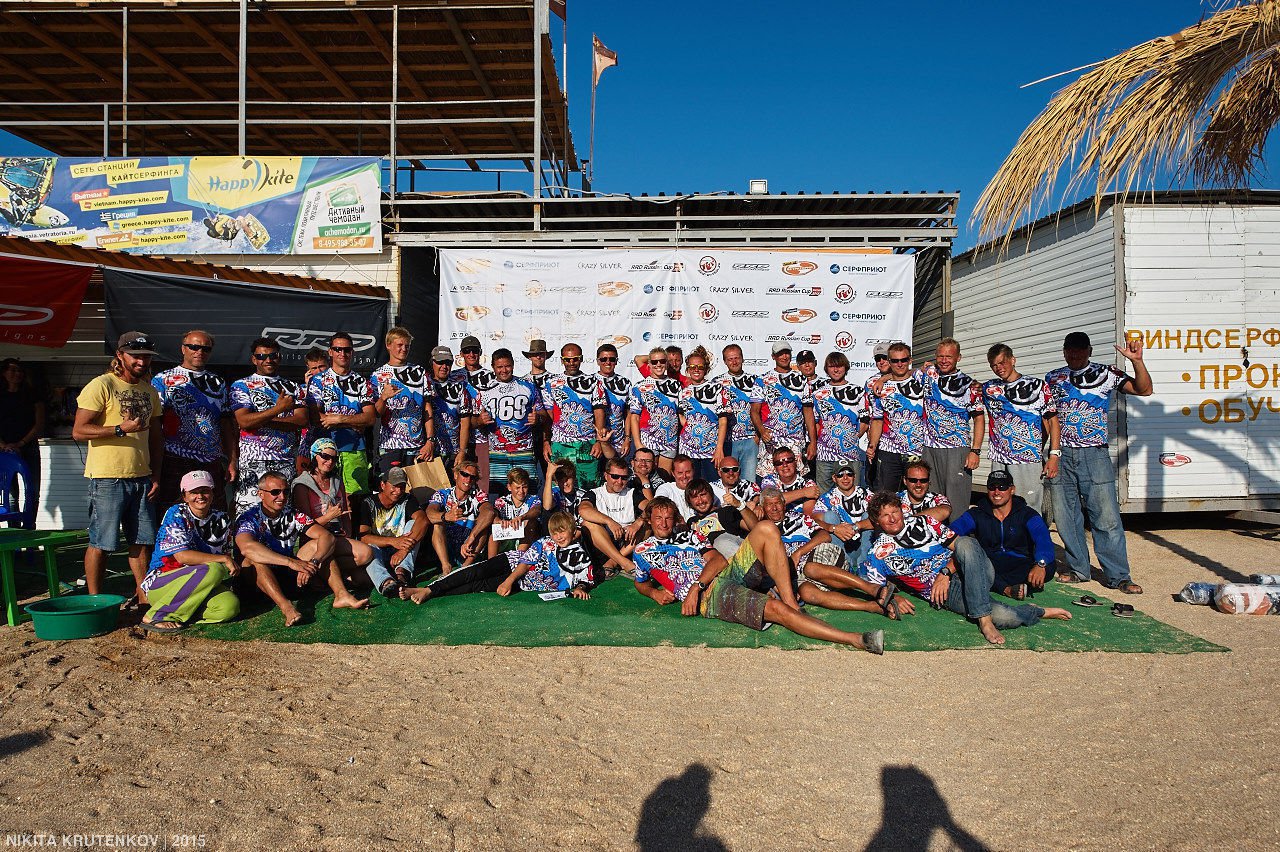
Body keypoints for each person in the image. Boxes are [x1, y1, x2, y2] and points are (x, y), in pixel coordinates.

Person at [631, 498, 884, 654]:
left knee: (766, 527)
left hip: (719, 576)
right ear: (649, 521)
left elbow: (718, 560)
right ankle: (855, 639)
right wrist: (654, 593)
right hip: (711, 595)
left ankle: (791, 601)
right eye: (658, 518)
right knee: (775, 610)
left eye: (668, 518)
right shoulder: (642, 551)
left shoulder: (688, 535)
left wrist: (696, 586)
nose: (664, 523)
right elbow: (640, 582)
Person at [860, 492, 1071, 645]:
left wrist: (945, 572)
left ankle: (983, 621)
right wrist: (895, 597)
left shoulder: (924, 522)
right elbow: (873, 587)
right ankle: (1037, 611)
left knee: (967, 542)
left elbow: (960, 546)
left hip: (968, 568)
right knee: (1005, 617)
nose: (893, 518)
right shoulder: (878, 553)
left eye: (895, 511)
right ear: (876, 521)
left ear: (901, 510)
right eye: (885, 515)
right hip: (944, 592)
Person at [1045, 332, 1152, 594]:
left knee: (1106, 517)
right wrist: (1046, 453)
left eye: (1080, 350)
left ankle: (1119, 576)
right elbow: (1046, 418)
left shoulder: (1107, 373)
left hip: (1094, 454)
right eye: (1070, 350)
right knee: (1066, 517)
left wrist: (1137, 361)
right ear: (1064, 351)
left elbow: (1144, 389)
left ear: (1089, 351)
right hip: (1061, 454)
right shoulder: (1052, 378)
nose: (1075, 355)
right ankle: (1078, 569)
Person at [72, 331, 163, 603]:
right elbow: (79, 430)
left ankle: (143, 598)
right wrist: (120, 429)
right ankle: (94, 600)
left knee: (142, 542)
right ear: (120, 355)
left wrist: (156, 474)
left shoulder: (149, 390)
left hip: (142, 477)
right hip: (107, 478)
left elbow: (156, 438)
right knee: (102, 542)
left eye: (146, 356)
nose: (141, 361)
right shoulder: (101, 385)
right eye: (135, 355)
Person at [234, 471, 368, 622]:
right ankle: (287, 607)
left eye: (286, 491)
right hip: (254, 583)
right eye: (275, 492)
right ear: (261, 494)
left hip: (286, 575)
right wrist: (291, 562)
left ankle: (341, 595)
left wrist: (314, 562)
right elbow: (247, 548)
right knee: (253, 560)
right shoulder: (248, 518)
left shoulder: (293, 514)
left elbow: (327, 536)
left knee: (320, 546)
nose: (282, 497)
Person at [400, 511, 602, 603]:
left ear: (573, 530)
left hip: (523, 583)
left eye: (562, 531)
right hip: (512, 563)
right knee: (473, 572)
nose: (558, 536)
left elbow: (586, 577)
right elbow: (525, 563)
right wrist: (508, 580)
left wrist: (581, 588)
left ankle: (430, 592)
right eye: (555, 532)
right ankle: (429, 589)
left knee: (476, 586)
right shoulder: (545, 542)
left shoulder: (580, 555)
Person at [759, 487, 900, 618]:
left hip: (820, 556)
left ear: (784, 505)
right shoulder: (760, 529)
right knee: (807, 593)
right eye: (769, 504)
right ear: (762, 507)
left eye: (778, 503)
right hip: (796, 574)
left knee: (810, 568)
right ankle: (871, 606)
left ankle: (873, 589)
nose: (774, 508)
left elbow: (824, 536)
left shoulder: (799, 518)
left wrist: (799, 553)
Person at [139, 470, 241, 633]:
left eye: (205, 491)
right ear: (185, 496)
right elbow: (182, 556)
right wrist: (223, 559)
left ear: (212, 493)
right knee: (213, 568)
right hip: (163, 583)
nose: (200, 496)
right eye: (194, 492)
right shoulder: (176, 513)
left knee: (229, 607)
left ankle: (185, 612)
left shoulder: (222, 519)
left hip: (201, 583)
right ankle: (157, 615)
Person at [150, 330, 235, 512]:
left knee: (213, 511)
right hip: (174, 458)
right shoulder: (163, 379)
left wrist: (232, 460)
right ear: (183, 349)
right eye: (194, 347)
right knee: (172, 511)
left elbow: (226, 424)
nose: (199, 352)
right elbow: (154, 423)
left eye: (205, 348)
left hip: (210, 459)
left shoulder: (218, 383)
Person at [229, 337, 309, 514]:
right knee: (248, 513)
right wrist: (279, 409)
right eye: (261, 356)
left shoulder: (292, 387)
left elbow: (301, 420)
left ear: (279, 357)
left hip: (284, 460)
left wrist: (260, 420)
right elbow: (244, 421)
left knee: (282, 514)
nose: (268, 360)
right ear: (254, 359)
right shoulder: (241, 385)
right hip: (253, 460)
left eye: (273, 356)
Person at [949, 470, 1055, 599]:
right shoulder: (977, 513)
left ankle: (994, 584)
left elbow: (1043, 539)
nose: (997, 492)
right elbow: (952, 532)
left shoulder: (1027, 514)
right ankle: (1007, 588)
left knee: (1049, 566)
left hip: (1020, 563)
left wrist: (1040, 564)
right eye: (992, 487)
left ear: (1012, 490)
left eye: (1002, 487)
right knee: (972, 565)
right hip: (990, 564)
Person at [983, 343, 1060, 515]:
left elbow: (1053, 421)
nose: (998, 368)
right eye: (994, 365)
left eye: (1002, 362)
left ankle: (1034, 533)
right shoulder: (988, 388)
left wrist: (1054, 455)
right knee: (999, 505)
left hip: (1027, 459)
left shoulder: (1037, 386)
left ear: (1013, 360)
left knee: (1029, 507)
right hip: (999, 458)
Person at [291, 438, 375, 590]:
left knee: (366, 554)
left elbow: (345, 514)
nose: (330, 461)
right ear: (314, 456)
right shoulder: (301, 485)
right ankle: (330, 574)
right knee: (357, 576)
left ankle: (327, 573)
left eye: (334, 458)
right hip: (314, 541)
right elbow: (302, 528)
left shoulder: (337, 481)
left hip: (337, 536)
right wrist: (328, 517)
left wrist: (347, 534)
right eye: (325, 456)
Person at [918, 339, 985, 513]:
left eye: (949, 356)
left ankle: (957, 531)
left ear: (958, 358)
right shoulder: (929, 374)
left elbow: (979, 419)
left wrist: (975, 451)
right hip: (930, 448)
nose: (944, 360)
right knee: (932, 498)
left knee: (956, 500)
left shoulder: (969, 385)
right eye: (940, 356)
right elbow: (902, 374)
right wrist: (884, 378)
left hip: (957, 448)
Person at [308, 332, 376, 497]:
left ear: (352, 352)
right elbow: (315, 417)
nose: (342, 353)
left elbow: (370, 418)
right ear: (330, 351)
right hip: (324, 451)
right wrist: (354, 422)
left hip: (354, 449)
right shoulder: (318, 381)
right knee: (323, 499)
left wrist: (338, 419)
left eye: (347, 350)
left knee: (355, 499)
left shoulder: (362, 382)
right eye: (338, 349)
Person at [474, 348, 545, 496]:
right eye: (499, 367)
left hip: (524, 450)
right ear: (493, 367)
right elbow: (472, 421)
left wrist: (538, 418)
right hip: (497, 452)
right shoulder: (484, 390)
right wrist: (480, 420)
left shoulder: (528, 386)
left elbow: (543, 413)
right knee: (499, 494)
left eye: (507, 366)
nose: (504, 370)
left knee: (527, 493)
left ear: (513, 364)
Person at [370, 326, 435, 475]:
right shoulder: (377, 375)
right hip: (390, 446)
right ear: (388, 345)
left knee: (418, 488)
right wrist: (383, 398)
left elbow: (427, 408)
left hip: (417, 446)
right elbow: (375, 414)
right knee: (392, 487)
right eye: (400, 345)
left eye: (407, 346)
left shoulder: (420, 372)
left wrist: (430, 440)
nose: (404, 349)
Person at [356, 466, 429, 598]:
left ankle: (402, 573)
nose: (398, 491)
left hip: (401, 550)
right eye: (394, 486)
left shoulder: (408, 499)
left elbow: (423, 521)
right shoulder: (368, 503)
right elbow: (363, 537)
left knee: (414, 524)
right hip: (380, 550)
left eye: (402, 486)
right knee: (369, 548)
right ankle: (386, 582)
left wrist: (403, 550)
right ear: (383, 485)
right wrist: (393, 541)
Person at [867, 341, 927, 492]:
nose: (899, 364)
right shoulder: (880, 387)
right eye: (895, 360)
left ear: (910, 360)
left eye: (903, 360)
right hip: (888, 451)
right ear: (889, 361)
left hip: (916, 450)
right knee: (887, 496)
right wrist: (872, 445)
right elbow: (877, 419)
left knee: (916, 496)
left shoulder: (922, 381)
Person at [542, 342, 603, 488]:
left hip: (587, 444)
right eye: (567, 359)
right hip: (560, 445)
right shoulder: (551, 383)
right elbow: (548, 416)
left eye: (575, 359)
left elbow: (599, 412)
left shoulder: (593, 382)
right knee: (560, 488)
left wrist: (599, 441)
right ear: (562, 360)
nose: (571, 363)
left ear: (581, 359)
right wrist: (546, 441)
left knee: (589, 488)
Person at [753, 341, 816, 480]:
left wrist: (813, 442)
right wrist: (762, 431)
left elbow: (808, 413)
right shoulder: (762, 380)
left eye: (787, 353)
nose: (784, 356)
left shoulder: (802, 380)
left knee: (796, 481)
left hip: (795, 441)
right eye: (780, 354)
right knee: (768, 482)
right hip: (771, 441)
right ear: (773, 356)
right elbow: (754, 411)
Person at [578, 456, 646, 574]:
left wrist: (638, 523)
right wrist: (609, 521)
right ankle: (623, 562)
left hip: (628, 540)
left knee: (648, 523)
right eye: (615, 476)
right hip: (603, 542)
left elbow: (652, 508)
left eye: (624, 478)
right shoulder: (595, 493)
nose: (619, 481)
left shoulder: (632, 493)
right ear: (606, 476)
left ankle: (613, 562)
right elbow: (583, 509)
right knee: (588, 523)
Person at [812, 351, 869, 490]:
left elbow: (865, 420)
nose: (836, 370)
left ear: (846, 367)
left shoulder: (858, 391)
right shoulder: (818, 394)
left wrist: (852, 438)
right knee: (824, 496)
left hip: (850, 455)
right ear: (826, 369)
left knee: (852, 495)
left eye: (839, 366)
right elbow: (815, 422)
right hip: (825, 456)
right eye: (832, 366)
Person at [425, 459, 494, 574]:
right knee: (437, 524)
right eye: (465, 474)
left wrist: (472, 537)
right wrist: (446, 516)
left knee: (484, 528)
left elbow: (489, 513)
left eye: (473, 477)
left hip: (468, 546)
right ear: (456, 475)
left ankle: (465, 568)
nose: (468, 479)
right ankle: (446, 567)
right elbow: (429, 513)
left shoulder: (477, 495)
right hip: (445, 547)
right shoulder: (443, 494)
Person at [0, 358, 45, 528]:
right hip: (4, 448)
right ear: (4, 372)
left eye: (20, 371)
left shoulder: (32, 395)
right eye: (12, 370)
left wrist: (21, 443)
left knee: (32, 490)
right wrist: (3, 445)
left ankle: (29, 526)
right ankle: (14, 528)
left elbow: (39, 424)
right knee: (10, 492)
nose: (17, 374)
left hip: (28, 446)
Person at [677, 347, 730, 481]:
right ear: (687, 369)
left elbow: (723, 421)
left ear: (706, 369)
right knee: (690, 487)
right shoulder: (682, 392)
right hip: (688, 451)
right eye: (692, 367)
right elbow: (681, 415)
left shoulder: (717, 389)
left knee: (712, 486)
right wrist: (690, 428)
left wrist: (719, 448)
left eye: (700, 367)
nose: (696, 370)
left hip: (711, 451)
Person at [810, 462, 875, 568]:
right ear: (834, 478)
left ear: (854, 476)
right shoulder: (826, 498)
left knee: (869, 515)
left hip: (864, 544)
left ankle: (864, 566)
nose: (845, 478)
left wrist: (856, 526)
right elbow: (815, 520)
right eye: (840, 475)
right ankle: (844, 564)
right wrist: (833, 528)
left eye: (849, 474)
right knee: (829, 516)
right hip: (840, 544)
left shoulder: (867, 495)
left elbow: (881, 519)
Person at [628, 347, 683, 471]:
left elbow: (680, 414)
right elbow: (634, 417)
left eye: (662, 361)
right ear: (649, 364)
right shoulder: (639, 386)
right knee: (646, 477)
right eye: (654, 362)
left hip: (670, 442)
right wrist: (638, 443)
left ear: (667, 363)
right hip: (647, 441)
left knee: (664, 478)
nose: (658, 364)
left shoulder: (676, 385)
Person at [454, 335, 497, 487]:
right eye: (467, 351)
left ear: (480, 352)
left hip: (483, 438)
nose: (471, 354)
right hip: (458, 439)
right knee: (460, 481)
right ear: (461, 353)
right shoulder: (453, 377)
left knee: (482, 481)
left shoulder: (491, 376)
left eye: (475, 351)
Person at [714, 344, 761, 482]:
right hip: (728, 441)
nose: (734, 362)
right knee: (729, 481)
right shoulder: (717, 383)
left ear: (742, 359)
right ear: (725, 361)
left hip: (751, 440)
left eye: (737, 358)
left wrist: (758, 435)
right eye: (730, 359)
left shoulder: (756, 381)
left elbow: (763, 409)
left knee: (749, 481)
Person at [685, 478, 756, 560]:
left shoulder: (725, 511)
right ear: (689, 501)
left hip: (737, 553)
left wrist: (740, 506)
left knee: (720, 541)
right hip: (711, 561)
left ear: (711, 495)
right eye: (695, 497)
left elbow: (755, 527)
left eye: (703, 495)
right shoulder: (691, 522)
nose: (700, 501)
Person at [428, 345, 472, 474]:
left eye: (448, 363)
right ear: (432, 363)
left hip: (453, 452)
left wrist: (462, 451)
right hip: (429, 450)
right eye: (440, 362)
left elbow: (465, 423)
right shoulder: (424, 384)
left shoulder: (460, 388)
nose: (444, 366)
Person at [488, 466, 540, 557]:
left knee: (531, 523)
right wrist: (499, 521)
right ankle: (491, 562)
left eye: (524, 487)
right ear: (509, 487)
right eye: (517, 487)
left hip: (525, 538)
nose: (521, 491)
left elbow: (536, 510)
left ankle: (519, 558)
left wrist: (522, 517)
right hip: (506, 537)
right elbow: (494, 514)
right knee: (494, 533)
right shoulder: (502, 501)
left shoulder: (533, 499)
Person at [592, 342, 632, 460]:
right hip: (594, 441)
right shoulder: (589, 381)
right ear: (598, 361)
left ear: (616, 361)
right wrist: (597, 440)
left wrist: (627, 438)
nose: (608, 362)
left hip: (617, 441)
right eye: (603, 359)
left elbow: (628, 414)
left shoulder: (625, 383)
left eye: (612, 359)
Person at [295, 348, 330, 474]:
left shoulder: (336, 385)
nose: (318, 371)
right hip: (308, 443)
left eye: (322, 367)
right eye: (314, 368)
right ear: (308, 369)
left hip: (332, 440)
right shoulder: (300, 389)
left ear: (329, 365)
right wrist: (309, 388)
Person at [758, 447, 818, 517]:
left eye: (789, 461)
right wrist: (804, 492)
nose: (785, 465)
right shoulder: (769, 480)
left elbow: (809, 514)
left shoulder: (808, 484)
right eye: (779, 463)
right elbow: (770, 500)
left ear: (795, 463)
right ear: (775, 467)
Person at [898, 458, 951, 524]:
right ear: (905, 481)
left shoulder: (937, 498)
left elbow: (945, 511)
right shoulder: (896, 499)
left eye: (923, 480)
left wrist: (909, 522)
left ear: (929, 482)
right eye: (913, 480)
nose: (918, 484)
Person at [654, 455, 697, 521]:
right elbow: (658, 505)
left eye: (688, 472)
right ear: (673, 473)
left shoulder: (703, 488)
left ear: (693, 471)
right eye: (680, 473)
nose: (684, 476)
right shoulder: (666, 488)